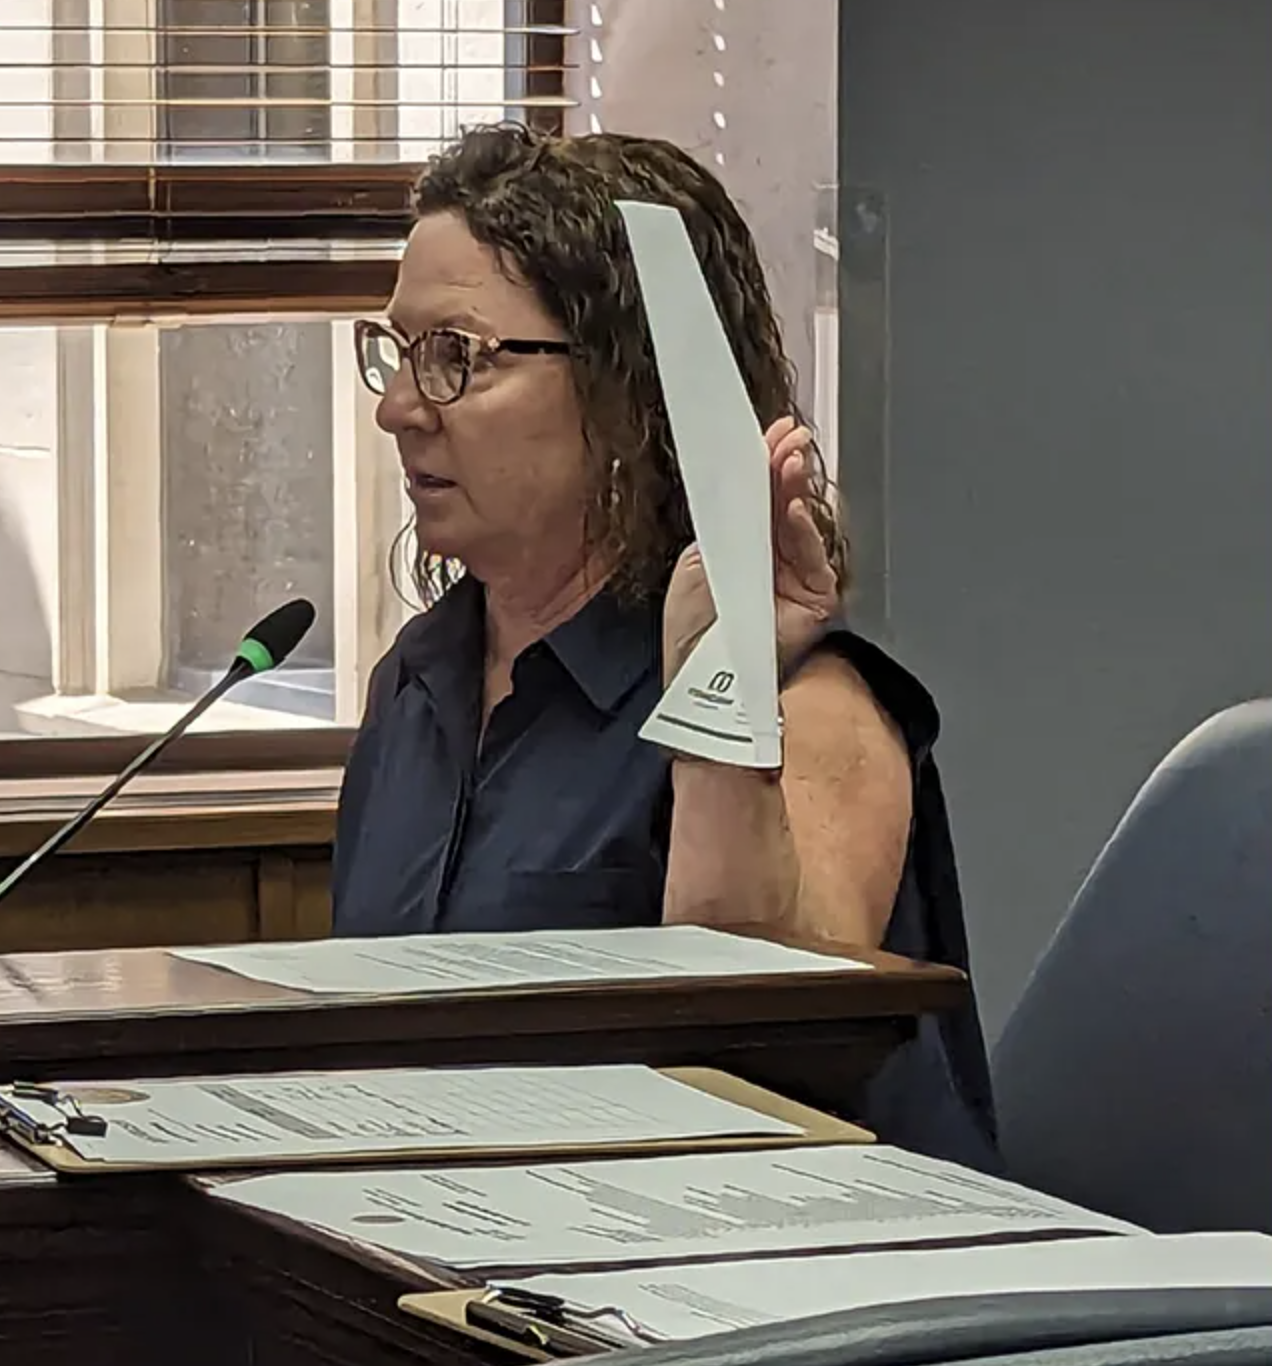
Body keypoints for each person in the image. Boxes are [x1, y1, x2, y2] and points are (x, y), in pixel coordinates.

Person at [332, 124, 997, 1169]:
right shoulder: (417, 684)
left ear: (624, 391)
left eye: (454, 357)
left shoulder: (816, 706)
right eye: (396, 352)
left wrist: (715, 687)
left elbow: (766, 1056)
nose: (396, 408)